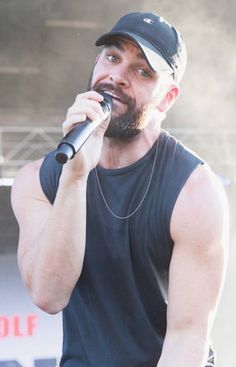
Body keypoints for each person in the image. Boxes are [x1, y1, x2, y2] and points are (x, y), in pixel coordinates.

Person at [11, 11, 229, 367]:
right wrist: (75, 178)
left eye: (142, 71)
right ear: (97, 63)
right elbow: (48, 295)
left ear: (167, 98)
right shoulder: (37, 180)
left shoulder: (194, 192)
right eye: (113, 57)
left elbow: (187, 338)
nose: (118, 76)